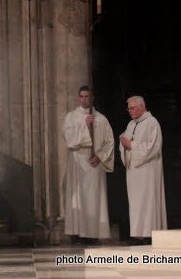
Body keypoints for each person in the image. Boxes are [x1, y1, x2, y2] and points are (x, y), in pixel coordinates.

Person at [61, 86, 114, 245]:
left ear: (92, 98)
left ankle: (92, 233)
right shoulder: (71, 117)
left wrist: (100, 156)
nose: (84, 99)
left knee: (93, 199)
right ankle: (76, 233)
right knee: (78, 199)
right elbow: (69, 138)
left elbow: (109, 142)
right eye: (81, 96)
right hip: (77, 163)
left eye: (87, 97)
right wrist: (84, 125)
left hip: (93, 164)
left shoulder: (102, 119)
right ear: (79, 98)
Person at [119, 95, 167, 245]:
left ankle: (148, 235)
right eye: (128, 108)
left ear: (141, 107)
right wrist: (124, 146)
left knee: (147, 202)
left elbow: (153, 148)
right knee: (136, 203)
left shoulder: (152, 123)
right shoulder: (131, 124)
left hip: (147, 170)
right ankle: (138, 235)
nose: (130, 111)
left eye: (132, 108)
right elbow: (125, 145)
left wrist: (131, 145)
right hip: (133, 171)